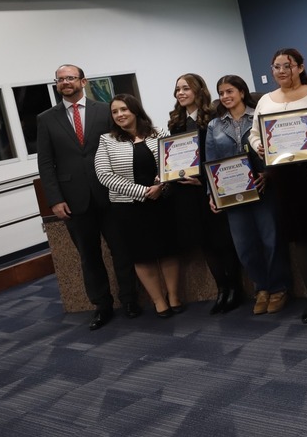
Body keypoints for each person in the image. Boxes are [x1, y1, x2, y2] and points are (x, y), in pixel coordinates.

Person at [36, 64, 141, 330]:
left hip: (110, 194)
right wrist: (54, 199)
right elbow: (45, 163)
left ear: (83, 81)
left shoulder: (105, 110)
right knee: (89, 256)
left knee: (122, 250)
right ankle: (102, 306)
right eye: (60, 79)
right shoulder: (46, 119)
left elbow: (122, 144)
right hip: (73, 200)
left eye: (70, 78)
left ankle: (130, 300)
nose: (65, 82)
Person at [249, 49, 307, 323]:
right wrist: (260, 145)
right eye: (276, 66)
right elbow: (254, 134)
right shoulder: (265, 100)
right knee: (300, 237)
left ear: (300, 67)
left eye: (286, 66)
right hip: (284, 178)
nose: (281, 71)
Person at [205, 75, 291, 314]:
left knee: (270, 240)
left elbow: (276, 149)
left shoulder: (258, 117)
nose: (225, 96)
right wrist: (212, 194)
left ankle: (279, 287)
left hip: (263, 189)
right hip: (232, 195)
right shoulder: (214, 126)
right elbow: (211, 161)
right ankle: (261, 287)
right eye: (221, 93)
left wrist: (268, 174)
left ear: (242, 92)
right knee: (244, 246)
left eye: (230, 91)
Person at [94, 94, 182, 318]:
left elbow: (172, 162)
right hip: (128, 208)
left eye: (124, 109)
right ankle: (159, 301)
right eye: (115, 112)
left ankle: (173, 296)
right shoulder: (107, 140)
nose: (120, 115)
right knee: (141, 256)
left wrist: (161, 185)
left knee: (168, 251)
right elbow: (104, 175)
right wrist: (142, 192)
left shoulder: (158, 133)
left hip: (161, 202)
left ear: (135, 110)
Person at [166, 74, 244, 314]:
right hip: (186, 193)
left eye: (185, 88)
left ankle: (235, 289)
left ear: (198, 90)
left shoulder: (213, 117)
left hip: (210, 187)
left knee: (222, 240)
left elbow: (218, 153)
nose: (180, 93)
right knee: (205, 243)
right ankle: (221, 289)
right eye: (177, 89)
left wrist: (203, 179)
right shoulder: (175, 122)